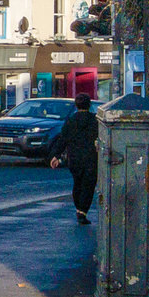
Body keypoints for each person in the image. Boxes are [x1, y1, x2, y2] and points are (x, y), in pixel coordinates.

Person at [48, 92, 100, 224]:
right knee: (88, 185)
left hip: (74, 158)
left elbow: (63, 139)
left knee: (77, 183)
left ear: (76, 106)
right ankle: (82, 211)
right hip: (91, 158)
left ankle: (78, 208)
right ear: (89, 105)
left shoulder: (70, 121)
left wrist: (56, 156)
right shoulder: (95, 121)